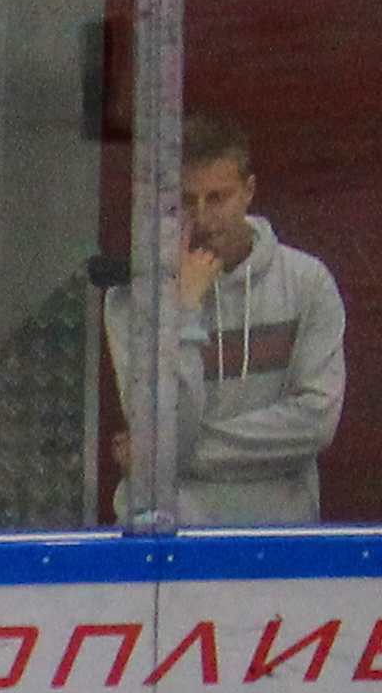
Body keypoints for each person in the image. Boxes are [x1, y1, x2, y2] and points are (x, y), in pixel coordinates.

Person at [98, 114, 352, 524]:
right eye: (185, 200)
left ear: (248, 191)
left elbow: (315, 421)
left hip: (279, 536)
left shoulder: (307, 283)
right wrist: (185, 310)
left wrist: (168, 455)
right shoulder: (134, 300)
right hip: (167, 537)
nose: (201, 216)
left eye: (217, 198)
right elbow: (164, 428)